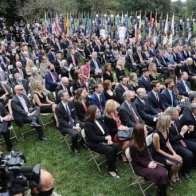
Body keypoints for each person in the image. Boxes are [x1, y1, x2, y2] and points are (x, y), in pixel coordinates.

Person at [130, 123, 168, 196]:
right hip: (139, 166)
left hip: (147, 161)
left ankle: (161, 192)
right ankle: (162, 192)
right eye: (145, 130)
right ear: (141, 133)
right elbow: (136, 160)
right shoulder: (133, 146)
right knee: (161, 174)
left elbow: (147, 153)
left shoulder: (143, 140)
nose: (147, 131)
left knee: (165, 172)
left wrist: (151, 161)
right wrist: (147, 164)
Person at [84, 105, 119, 178]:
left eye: (99, 111)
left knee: (115, 146)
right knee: (110, 150)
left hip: (103, 139)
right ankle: (111, 169)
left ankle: (112, 161)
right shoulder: (88, 124)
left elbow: (106, 129)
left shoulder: (99, 119)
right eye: (97, 112)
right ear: (92, 114)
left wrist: (109, 138)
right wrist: (105, 138)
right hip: (94, 143)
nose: (99, 113)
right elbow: (94, 138)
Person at [165, 107, 196, 180]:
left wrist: (188, 128)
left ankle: (193, 165)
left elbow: (180, 128)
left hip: (181, 140)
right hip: (173, 145)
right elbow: (172, 140)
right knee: (189, 154)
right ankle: (185, 172)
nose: (178, 116)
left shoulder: (176, 120)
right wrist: (182, 133)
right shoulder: (166, 124)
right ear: (170, 115)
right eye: (176, 115)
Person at [152, 114, 182, 183]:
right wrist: (171, 156)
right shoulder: (156, 135)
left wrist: (174, 153)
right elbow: (158, 150)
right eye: (169, 122)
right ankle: (171, 175)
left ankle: (175, 173)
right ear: (164, 123)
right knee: (176, 163)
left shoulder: (167, 129)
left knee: (180, 159)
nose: (171, 123)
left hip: (165, 151)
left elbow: (167, 143)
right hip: (158, 155)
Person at [55, 90, 83, 155]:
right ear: (61, 98)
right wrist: (73, 127)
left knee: (87, 126)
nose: (69, 96)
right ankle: (74, 147)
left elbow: (75, 115)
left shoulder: (70, 103)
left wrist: (77, 123)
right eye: (66, 95)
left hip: (74, 122)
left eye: (68, 95)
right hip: (65, 126)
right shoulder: (58, 108)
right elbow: (62, 121)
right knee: (75, 134)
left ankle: (82, 142)